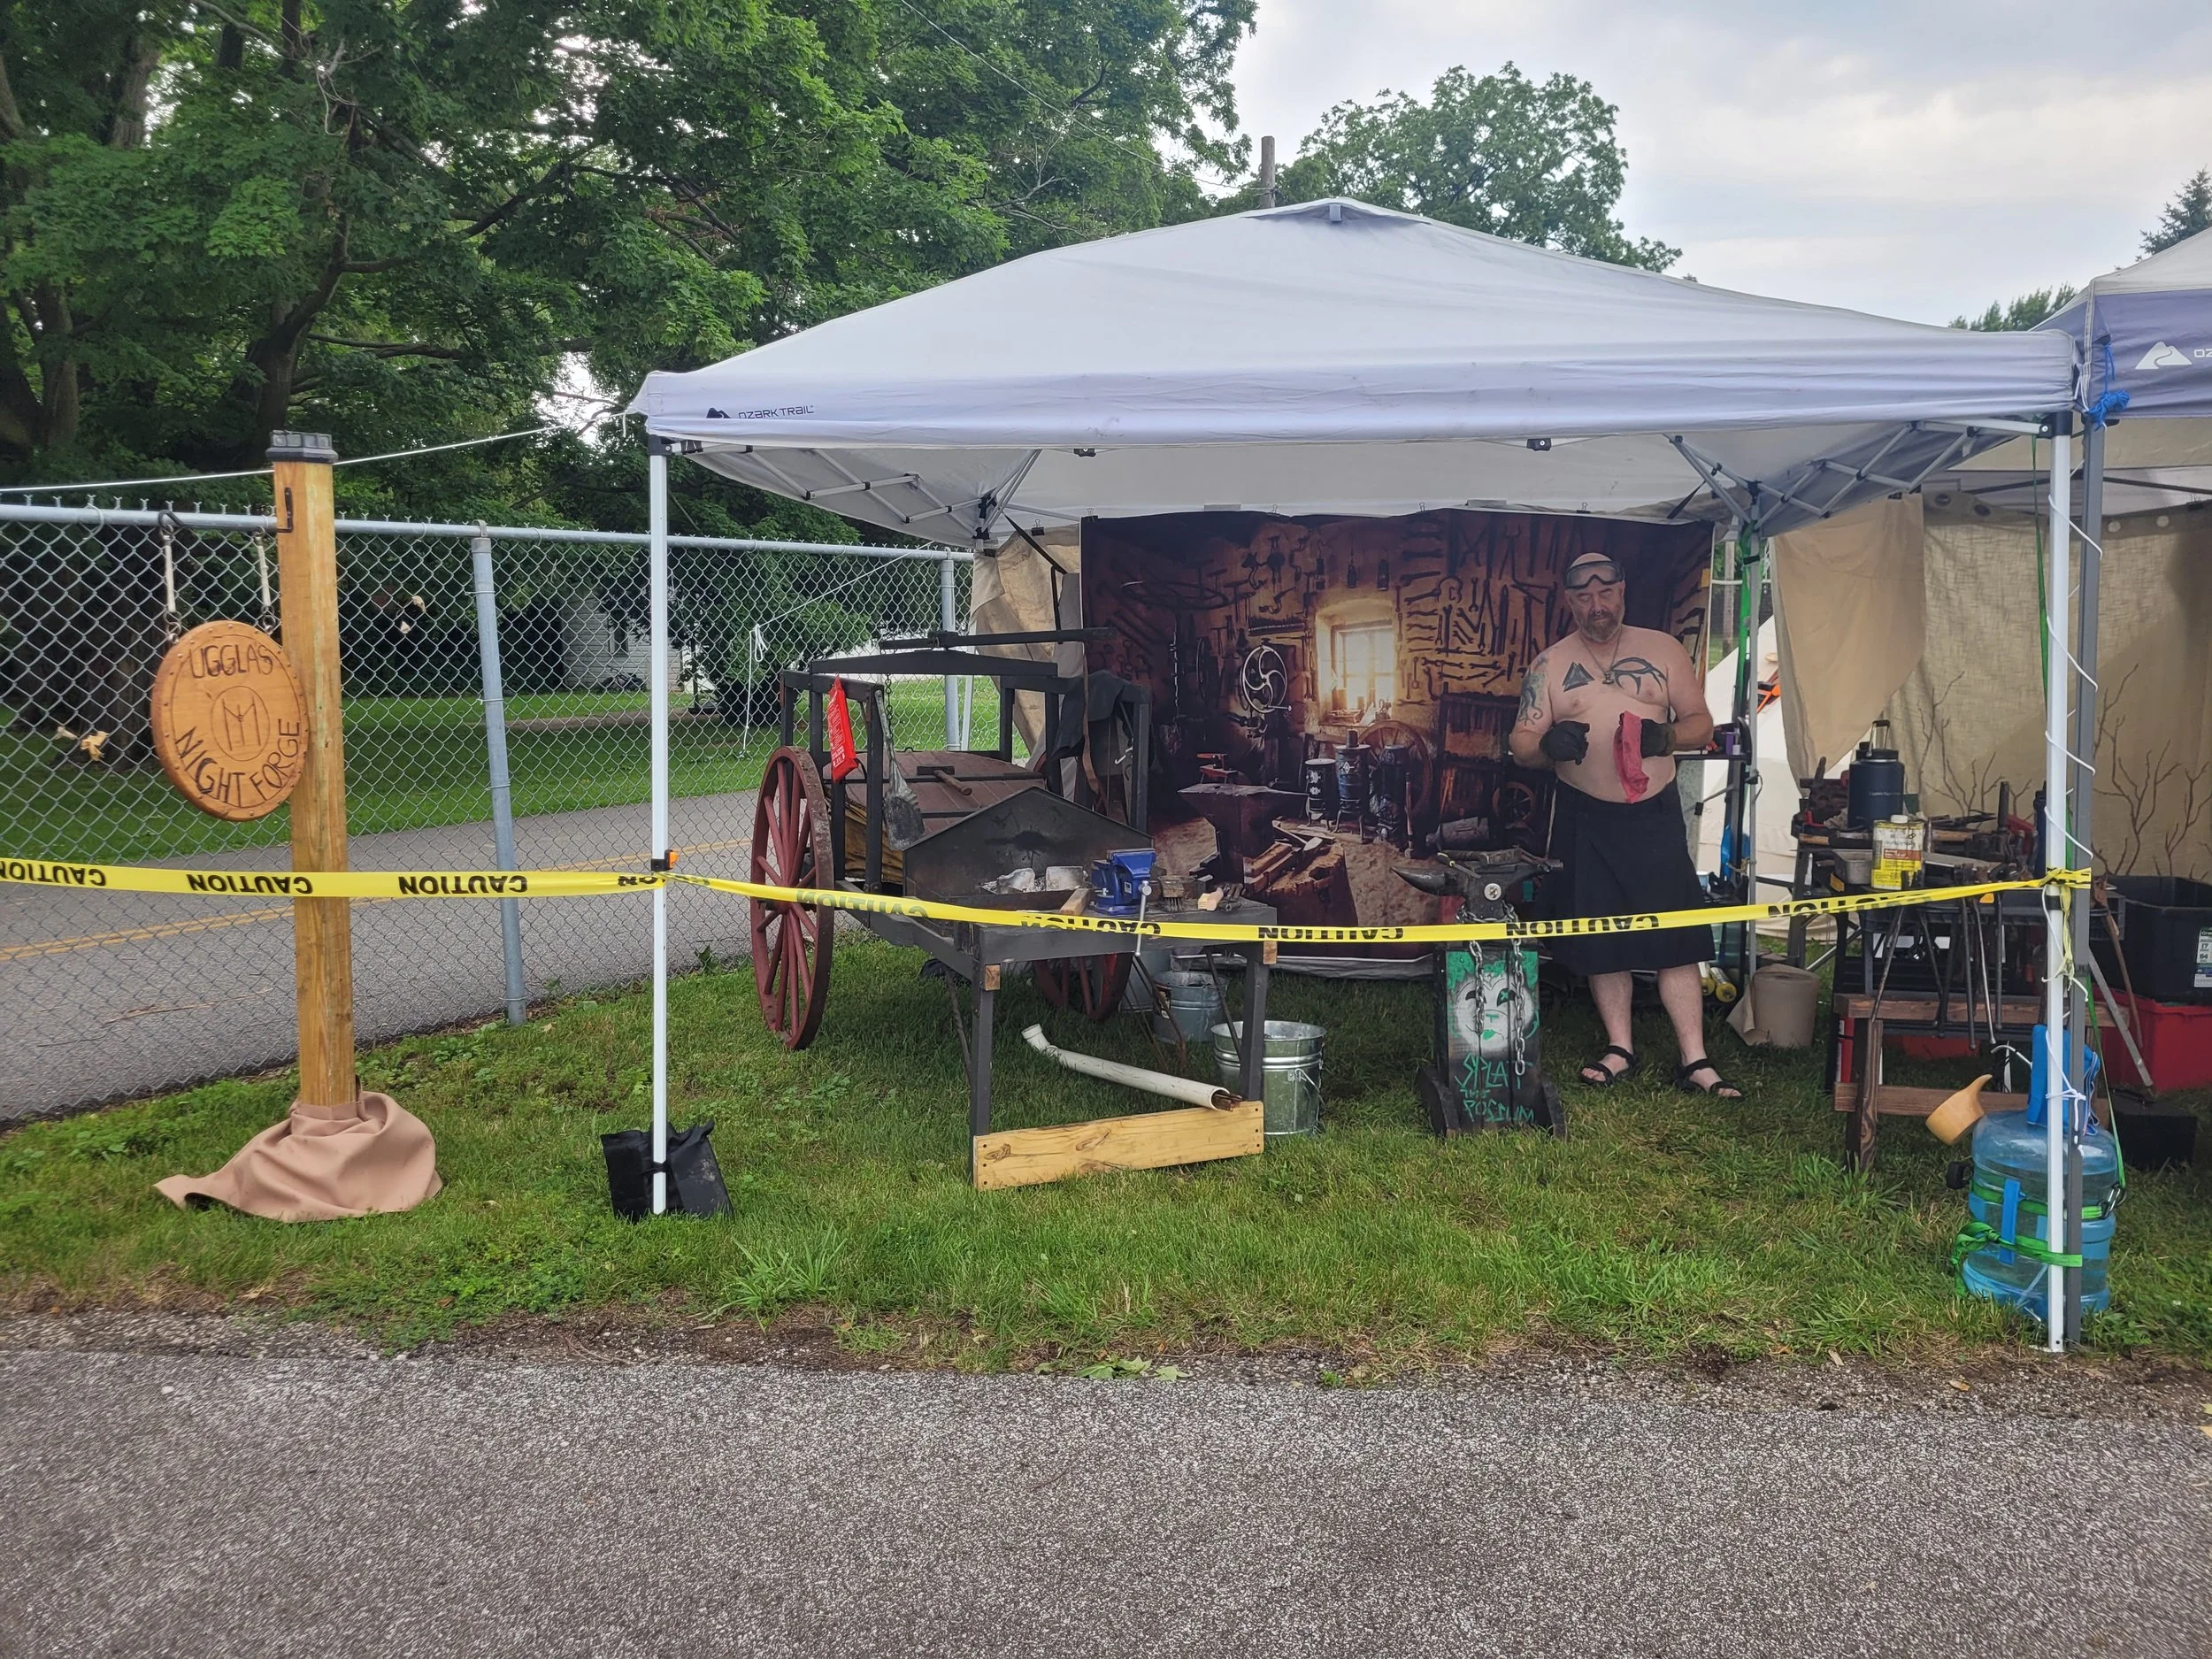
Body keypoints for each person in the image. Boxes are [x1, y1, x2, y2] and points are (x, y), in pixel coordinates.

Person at [1507, 549, 1741, 1098]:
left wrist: (1668, 738)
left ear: (1623, 591)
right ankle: (1620, 1046)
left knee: (1676, 937)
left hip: (1655, 813)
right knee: (1600, 937)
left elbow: (1701, 721)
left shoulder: (1662, 650)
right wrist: (1546, 746)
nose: (1597, 605)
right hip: (1586, 815)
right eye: (1584, 596)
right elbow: (1520, 743)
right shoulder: (1549, 664)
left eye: (1605, 592)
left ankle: (1695, 1059)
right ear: (1569, 602)